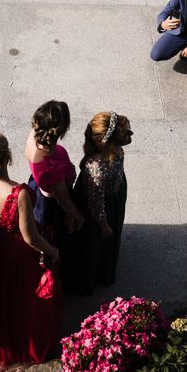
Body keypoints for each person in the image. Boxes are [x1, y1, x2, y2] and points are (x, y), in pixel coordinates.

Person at [0, 130, 62, 371]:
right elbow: (30, 238)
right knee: (22, 303)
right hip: (15, 256)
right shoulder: (17, 194)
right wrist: (52, 251)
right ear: (7, 156)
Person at [25, 100, 84, 291]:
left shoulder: (33, 136)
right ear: (62, 129)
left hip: (36, 189)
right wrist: (77, 216)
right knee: (60, 238)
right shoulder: (53, 163)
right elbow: (63, 199)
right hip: (52, 206)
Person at [72, 112, 133, 295]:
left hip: (113, 196)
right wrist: (105, 227)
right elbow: (96, 205)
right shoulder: (96, 167)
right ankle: (97, 274)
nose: (131, 134)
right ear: (110, 142)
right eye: (125, 133)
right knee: (97, 245)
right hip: (101, 211)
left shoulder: (114, 152)